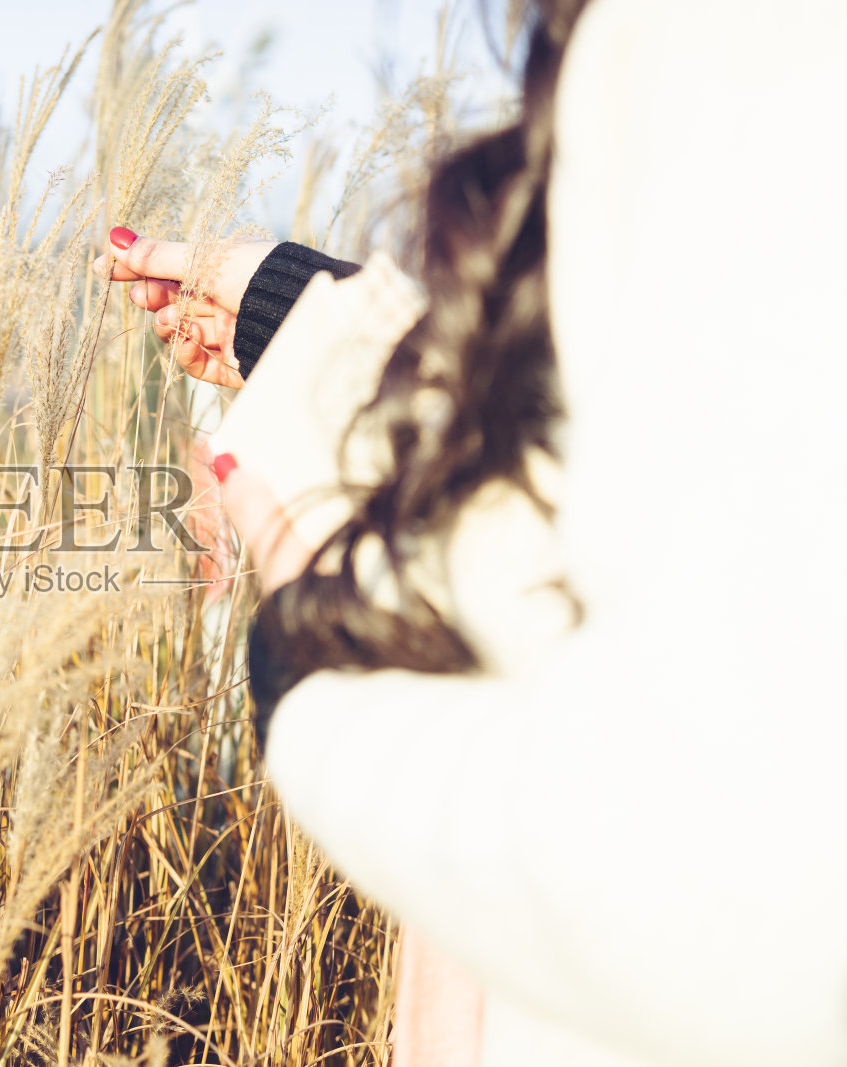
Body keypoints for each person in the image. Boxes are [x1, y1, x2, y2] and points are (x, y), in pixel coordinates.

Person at [93, 1, 847, 1065]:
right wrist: (318, 324)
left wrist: (330, 675)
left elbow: (731, 915)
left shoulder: (739, 49)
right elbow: (632, 459)